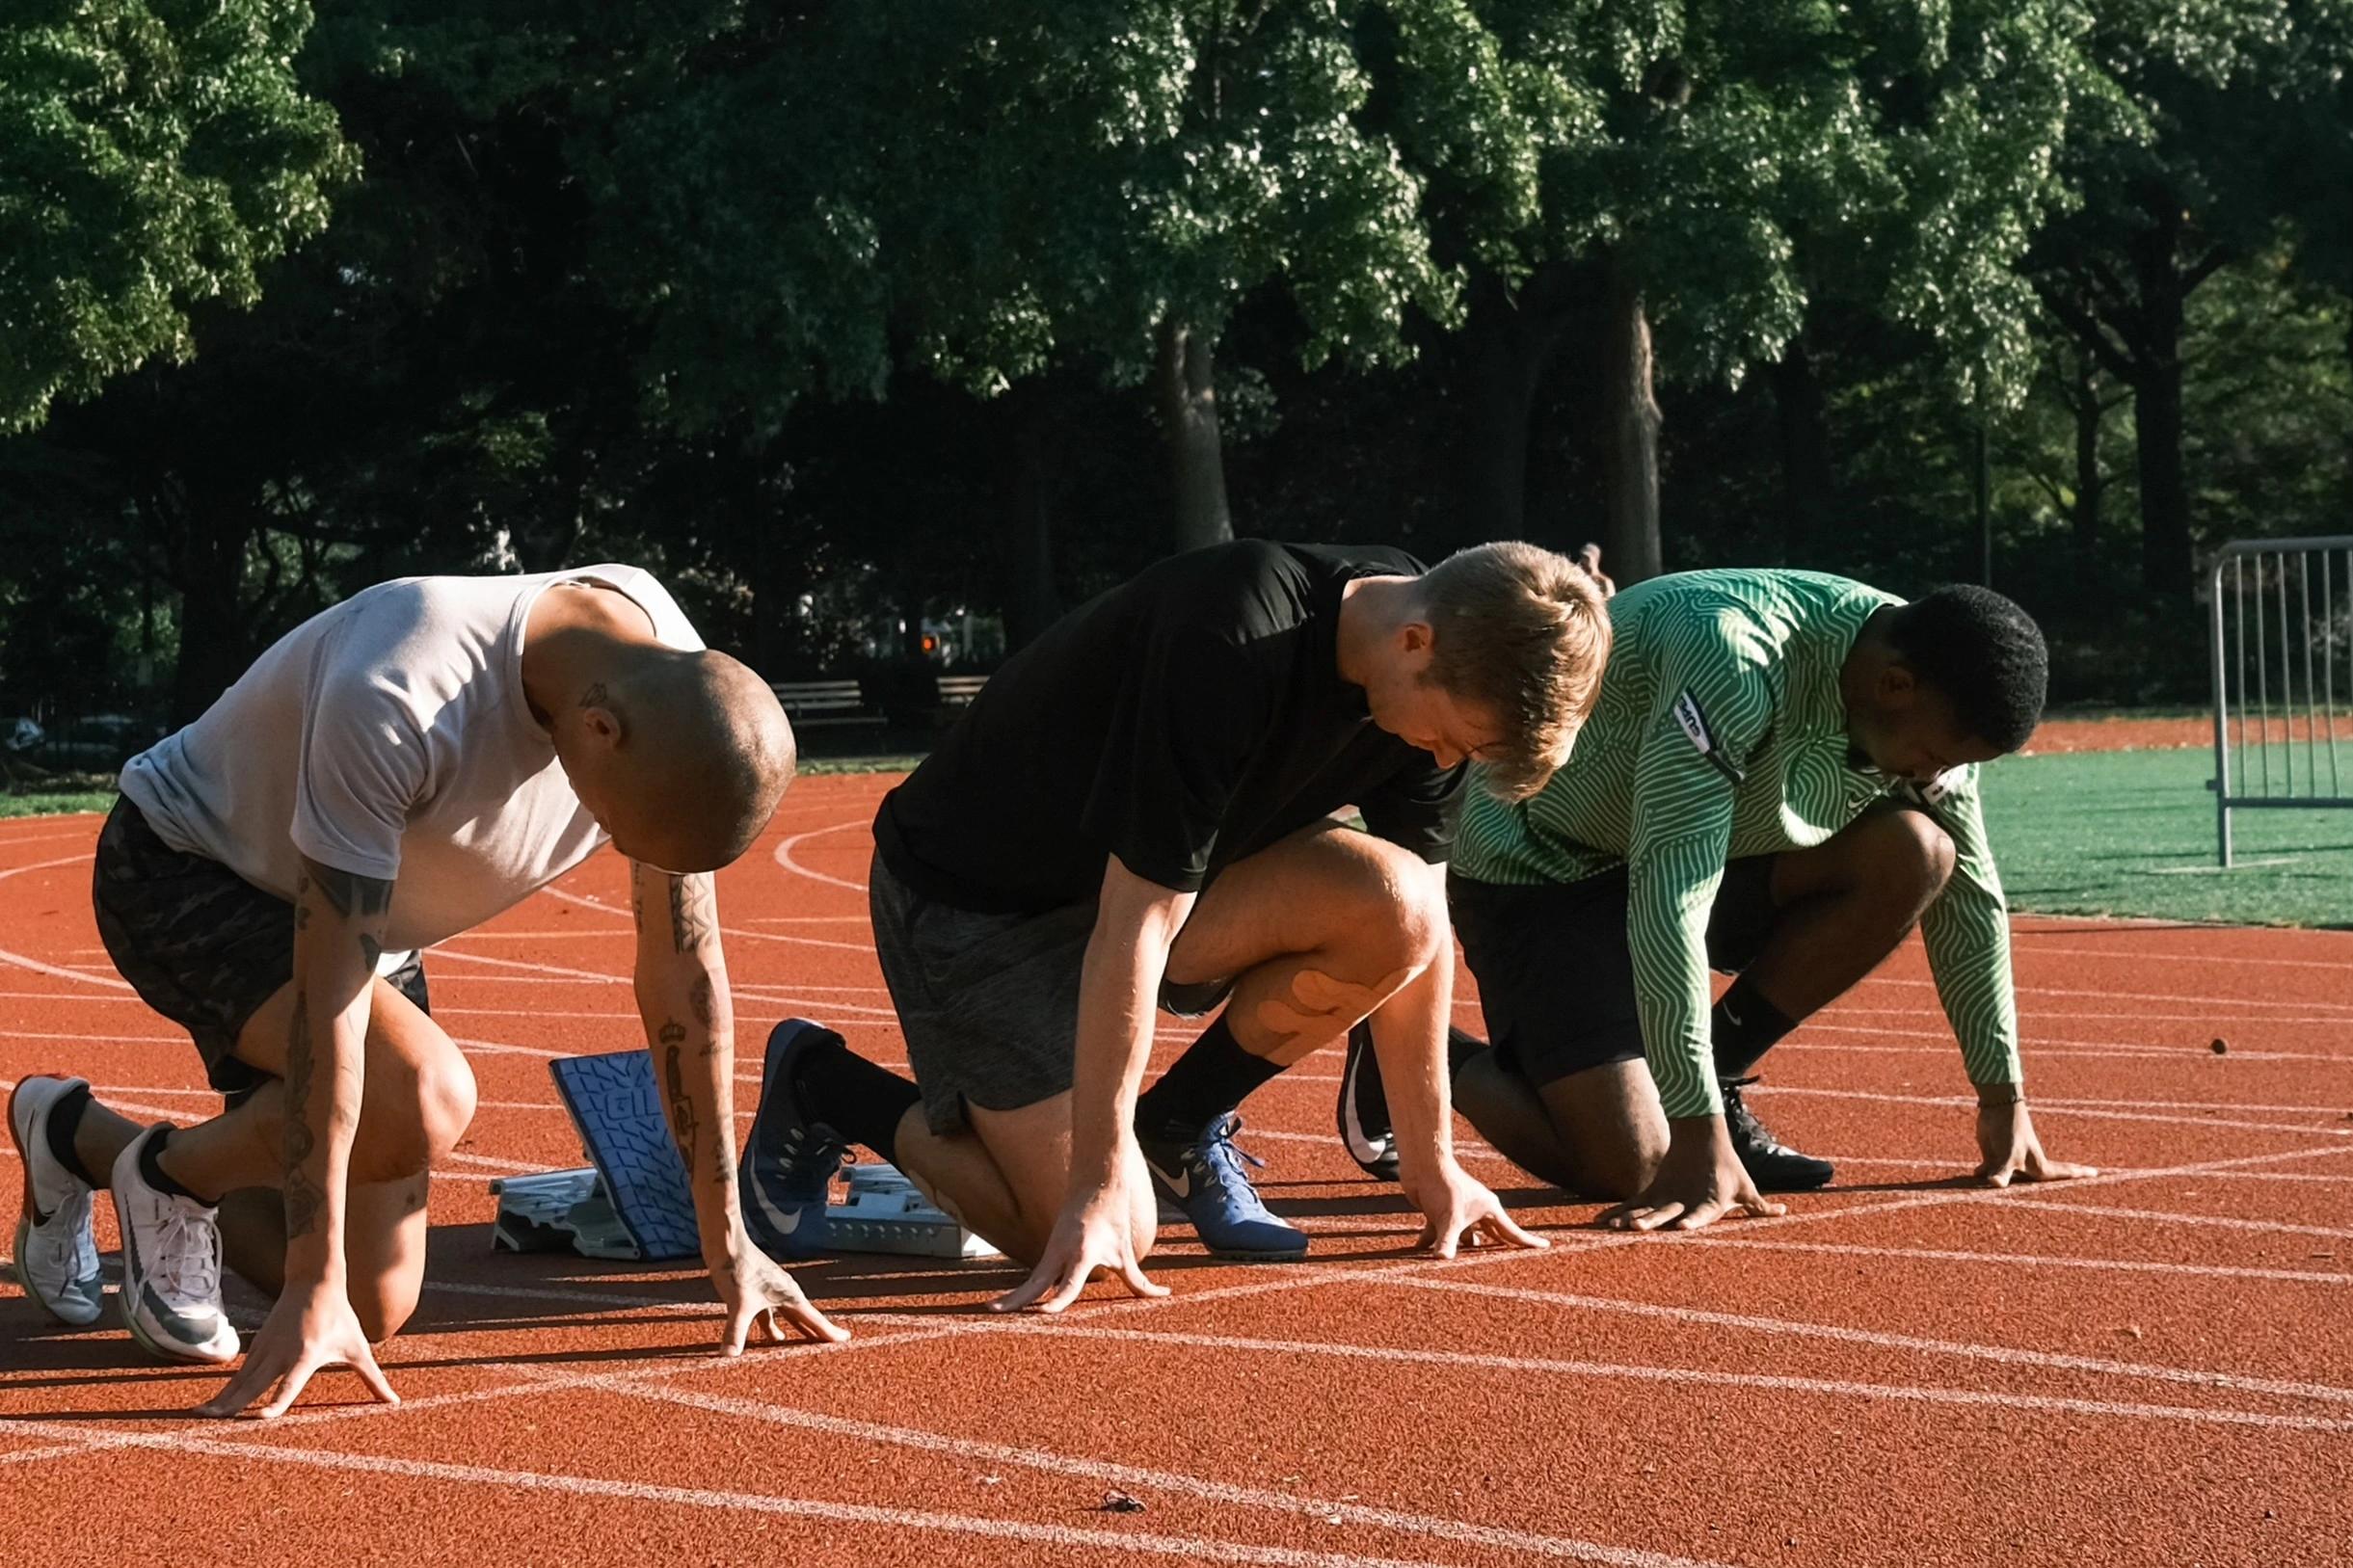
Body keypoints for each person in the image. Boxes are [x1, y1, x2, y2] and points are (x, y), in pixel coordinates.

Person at [7, 565, 842, 1420]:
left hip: (365, 915)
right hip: (190, 868)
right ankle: (172, 1181)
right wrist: (307, 1278)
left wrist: (728, 1240)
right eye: (624, 834)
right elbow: (330, 997)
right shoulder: (401, 683)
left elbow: (684, 975)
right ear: (598, 727)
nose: (614, 846)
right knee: (419, 1095)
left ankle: (85, 1140)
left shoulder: (666, 677)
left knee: (372, 1303)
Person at [737, 539, 1610, 1308]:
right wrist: (1090, 1185)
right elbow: (1133, 929)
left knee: (1401, 908)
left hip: (1152, 889)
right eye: (1453, 738)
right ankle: (822, 1082)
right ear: (1413, 642)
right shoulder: (1227, 640)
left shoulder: (1446, 648)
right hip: (979, 902)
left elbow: (1420, 932)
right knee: (1094, 1229)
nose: (1447, 760)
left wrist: (1433, 1167)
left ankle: (1173, 1126)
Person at [1337, 570, 2095, 1229]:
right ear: (1891, 685)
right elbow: (1672, 893)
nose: (1934, 774)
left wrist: (2002, 1095)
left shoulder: (1933, 669)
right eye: (1931, 756)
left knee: (1919, 849)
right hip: (1540, 867)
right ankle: (1407, 1039)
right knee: (1631, 1163)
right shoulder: (1730, 658)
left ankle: (1716, 1078)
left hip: (1707, 842)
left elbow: (1970, 892)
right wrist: (1691, 1131)